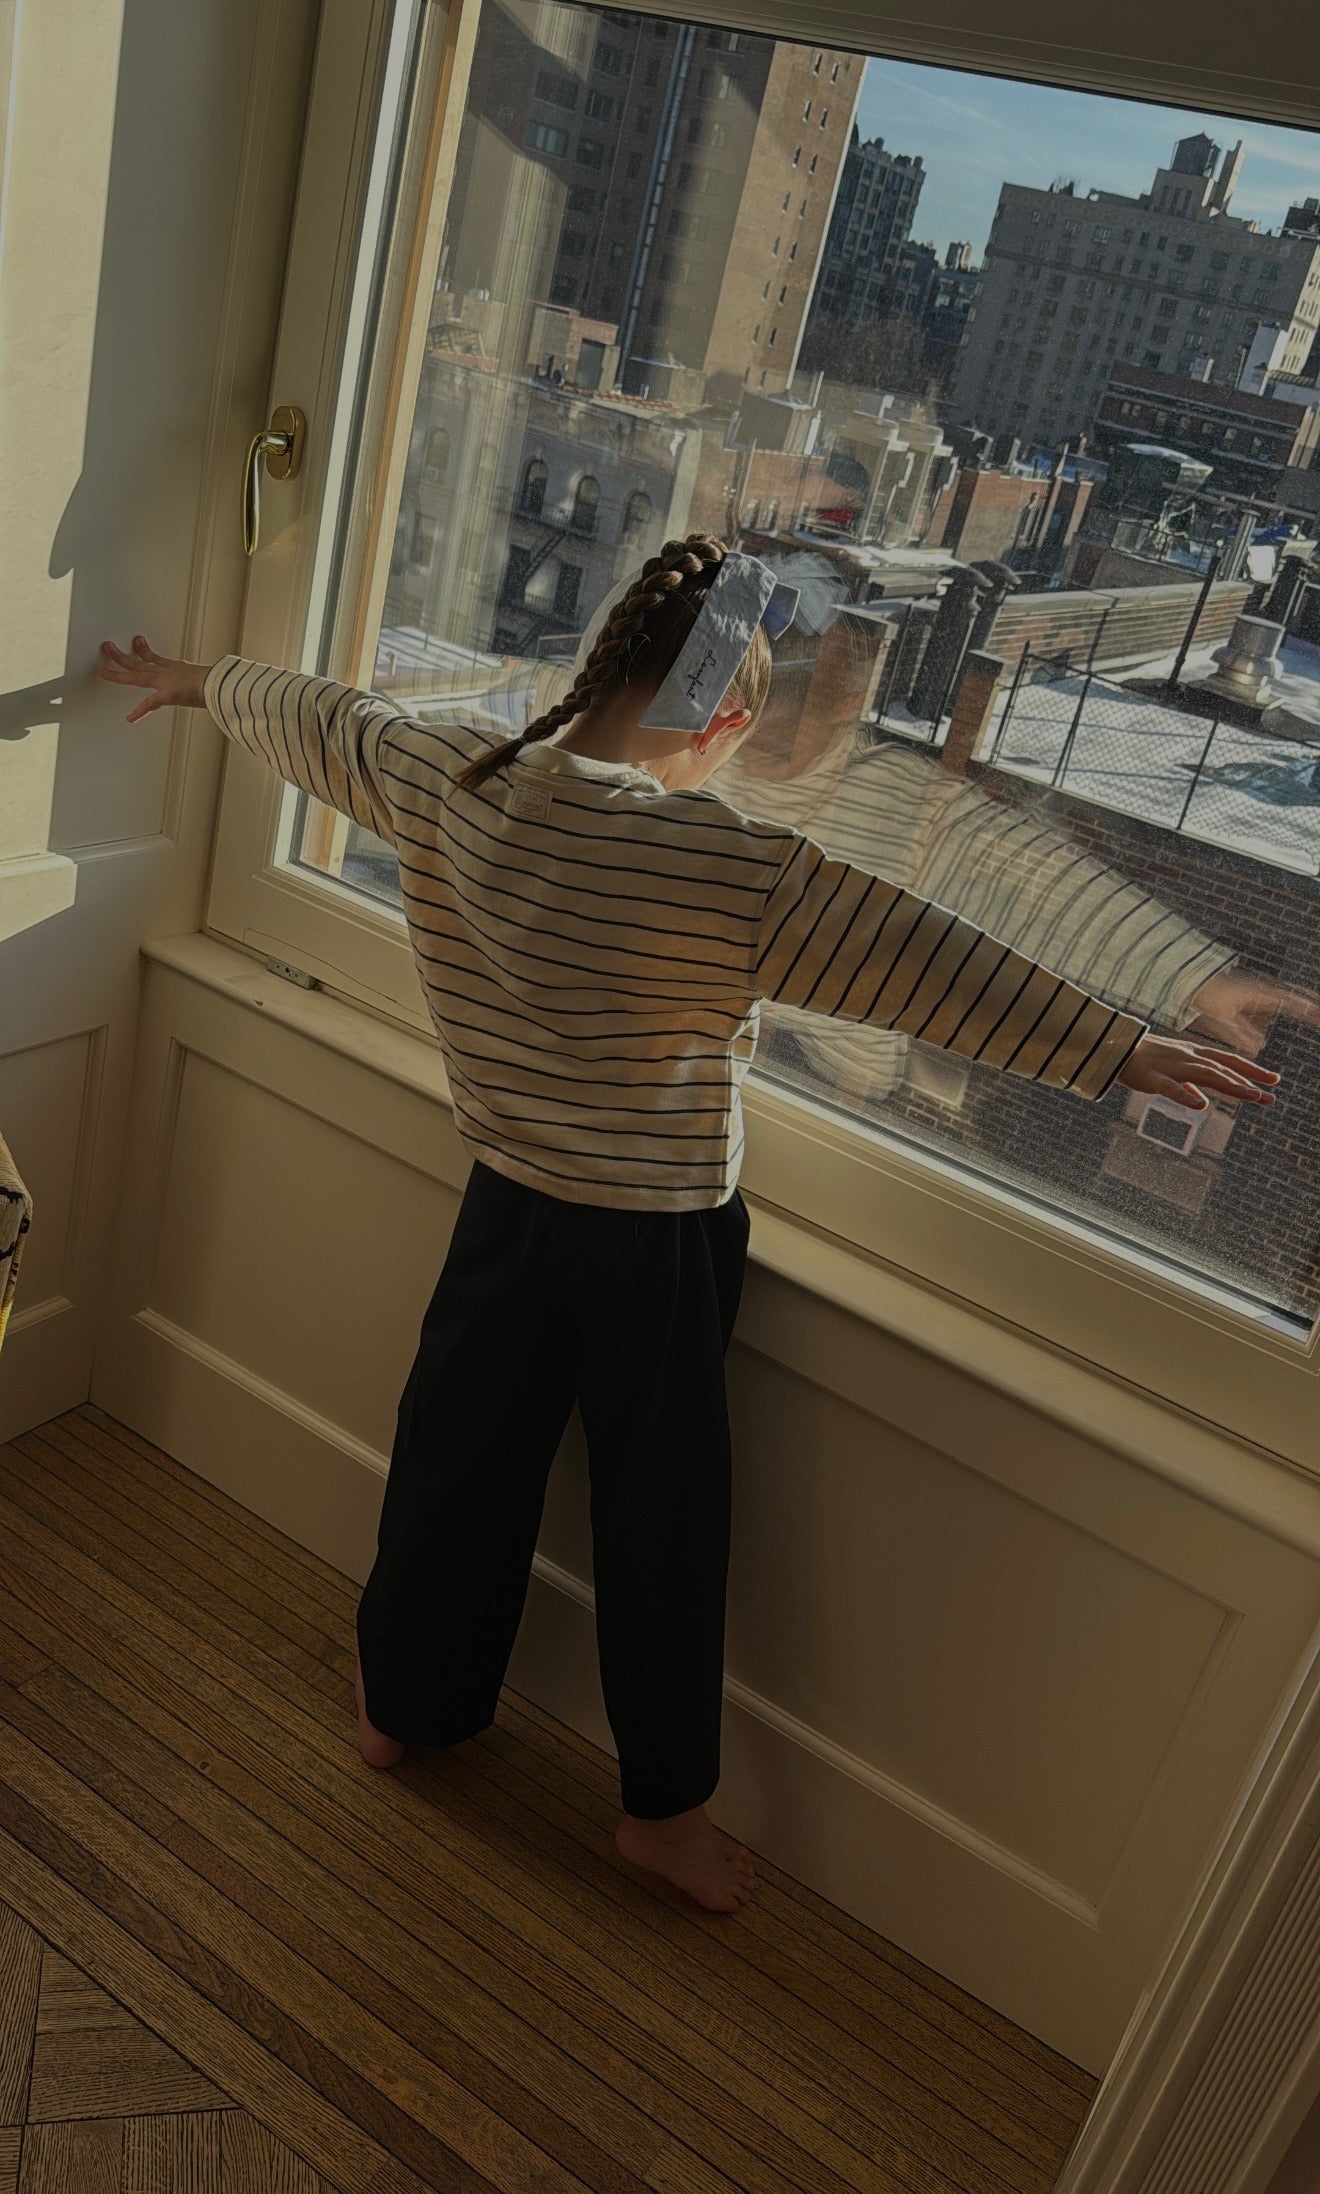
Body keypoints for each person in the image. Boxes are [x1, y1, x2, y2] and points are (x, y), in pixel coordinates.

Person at [98, 533, 1283, 1917]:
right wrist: (1121, 1046)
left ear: (600, 664)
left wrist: (196, 679)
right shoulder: (724, 863)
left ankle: (403, 1704)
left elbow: (318, 718)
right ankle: (663, 1810)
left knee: (454, 1462)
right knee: (663, 1520)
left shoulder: (451, 775)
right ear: (722, 724)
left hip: (507, 1205)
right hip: (656, 1240)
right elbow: (920, 957)